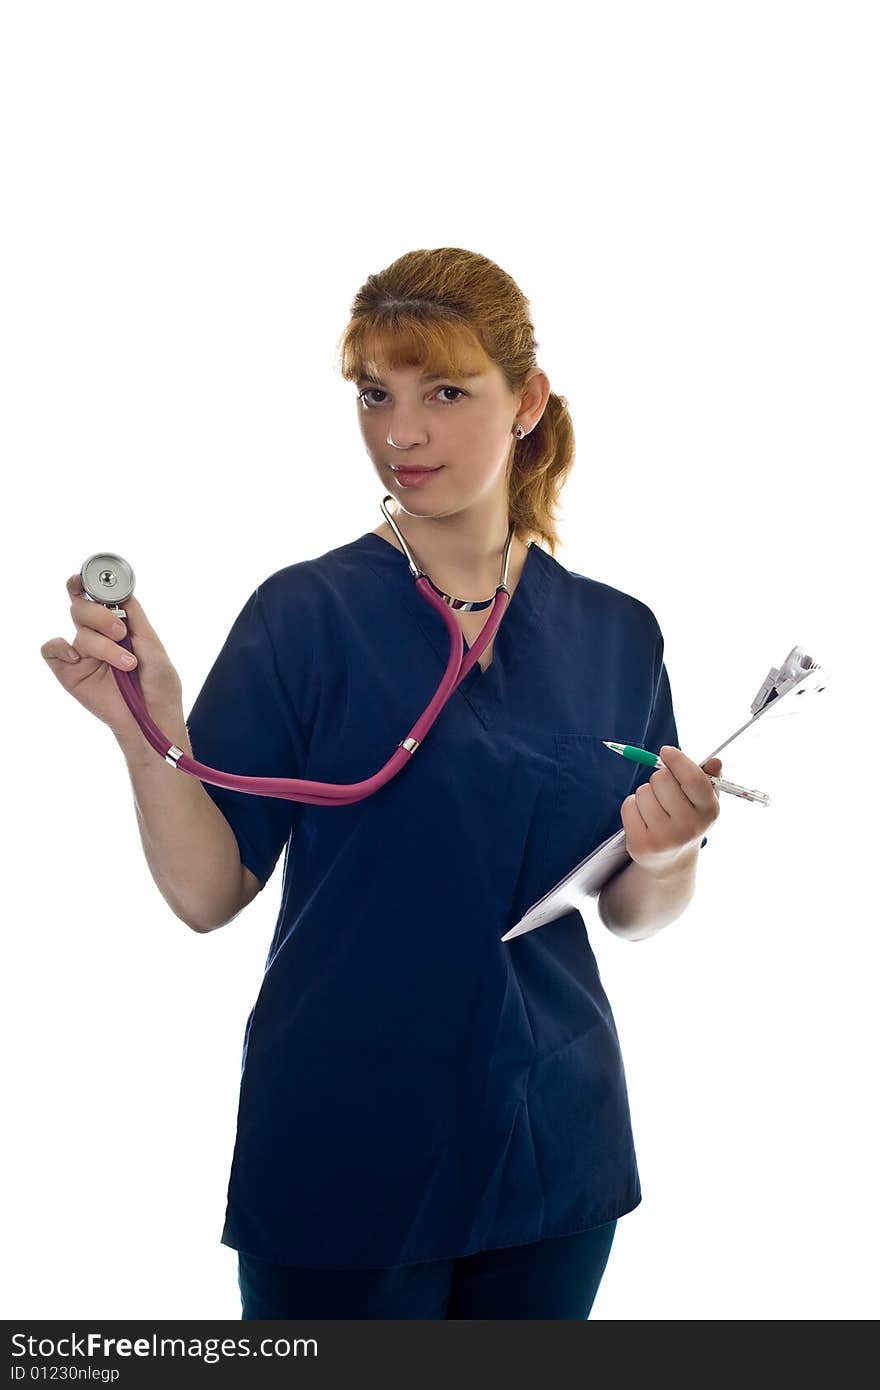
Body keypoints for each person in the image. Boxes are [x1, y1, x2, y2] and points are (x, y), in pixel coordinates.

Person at [41, 246, 720, 1319]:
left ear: (527, 401)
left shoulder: (616, 631)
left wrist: (672, 845)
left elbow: (634, 909)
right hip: (343, 1154)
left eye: (446, 392)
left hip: (555, 1143)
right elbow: (210, 893)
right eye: (376, 395)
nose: (401, 433)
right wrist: (149, 735)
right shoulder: (302, 616)